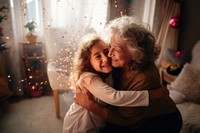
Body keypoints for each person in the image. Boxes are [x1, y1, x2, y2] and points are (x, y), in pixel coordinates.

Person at [75, 16, 182, 133]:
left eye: (115, 49)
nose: (109, 54)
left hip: (159, 121)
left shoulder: (144, 78)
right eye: (110, 47)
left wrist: (91, 106)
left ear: (134, 52)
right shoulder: (116, 63)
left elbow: (123, 119)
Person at [63, 34, 168, 133]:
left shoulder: (108, 73)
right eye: (97, 56)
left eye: (105, 52)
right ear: (87, 62)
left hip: (96, 125)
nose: (105, 58)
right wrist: (153, 95)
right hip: (79, 125)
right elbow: (115, 97)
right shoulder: (88, 78)